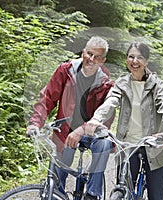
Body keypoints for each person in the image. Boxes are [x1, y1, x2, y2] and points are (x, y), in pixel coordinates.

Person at [86, 42, 163, 200]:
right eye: (131, 57)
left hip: (155, 147)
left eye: (140, 57)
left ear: (147, 61)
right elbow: (110, 102)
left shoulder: (157, 85)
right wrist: (96, 119)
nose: (134, 61)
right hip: (128, 148)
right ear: (126, 59)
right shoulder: (121, 83)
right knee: (124, 191)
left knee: (156, 196)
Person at [26, 36, 114, 200]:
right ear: (83, 53)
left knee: (104, 143)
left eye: (97, 57)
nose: (91, 59)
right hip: (65, 133)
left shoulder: (106, 82)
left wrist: (84, 130)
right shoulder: (65, 71)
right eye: (89, 54)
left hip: (91, 133)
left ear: (103, 60)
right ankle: (56, 195)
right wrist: (35, 123)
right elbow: (47, 99)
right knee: (56, 180)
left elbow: (107, 116)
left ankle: (92, 194)